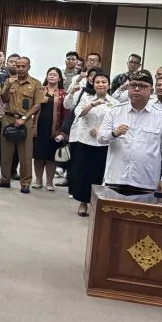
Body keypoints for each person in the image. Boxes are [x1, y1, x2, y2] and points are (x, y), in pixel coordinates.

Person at [98, 71, 162, 194]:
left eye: (142, 86)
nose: (137, 89)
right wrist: (114, 133)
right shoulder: (115, 112)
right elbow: (101, 138)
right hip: (116, 178)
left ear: (151, 90)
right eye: (133, 85)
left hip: (146, 181)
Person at [0, 56, 46, 193]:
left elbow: (37, 104)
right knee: (6, 151)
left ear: (29, 67)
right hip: (8, 118)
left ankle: (25, 183)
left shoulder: (35, 83)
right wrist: (7, 85)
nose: (20, 69)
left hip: (25, 121)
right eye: (18, 66)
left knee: (25, 153)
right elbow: (3, 99)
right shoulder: (9, 81)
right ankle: (5, 179)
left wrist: (24, 118)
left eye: (24, 66)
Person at [68, 73, 117, 216]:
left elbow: (116, 122)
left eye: (104, 82)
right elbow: (79, 113)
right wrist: (92, 104)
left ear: (109, 85)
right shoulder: (85, 97)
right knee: (83, 173)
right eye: (98, 82)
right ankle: (83, 203)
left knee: (100, 174)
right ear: (93, 84)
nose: (101, 84)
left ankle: (97, 205)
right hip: (85, 141)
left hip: (104, 143)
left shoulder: (114, 102)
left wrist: (102, 131)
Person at [32, 67, 66, 191]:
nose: (52, 76)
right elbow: (33, 107)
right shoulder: (40, 90)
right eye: (50, 74)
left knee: (51, 157)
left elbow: (64, 113)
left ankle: (50, 182)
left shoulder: (63, 93)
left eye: (54, 75)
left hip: (54, 130)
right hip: (39, 128)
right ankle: (38, 180)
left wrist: (62, 131)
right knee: (38, 156)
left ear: (59, 78)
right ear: (46, 76)